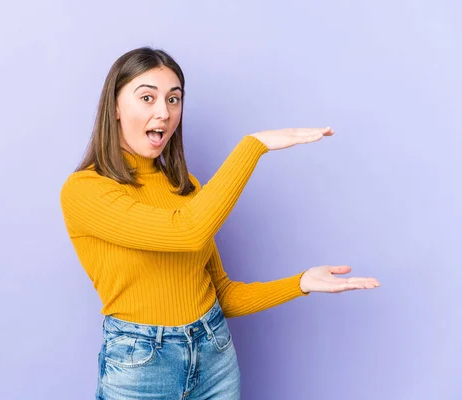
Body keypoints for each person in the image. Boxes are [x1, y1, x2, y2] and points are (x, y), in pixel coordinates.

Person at [60, 47, 380, 400]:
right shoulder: (85, 191)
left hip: (215, 358)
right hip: (142, 368)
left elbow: (221, 294)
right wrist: (252, 146)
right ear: (116, 107)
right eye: (147, 98)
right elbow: (188, 232)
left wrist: (301, 282)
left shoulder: (186, 187)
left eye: (173, 99)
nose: (163, 113)